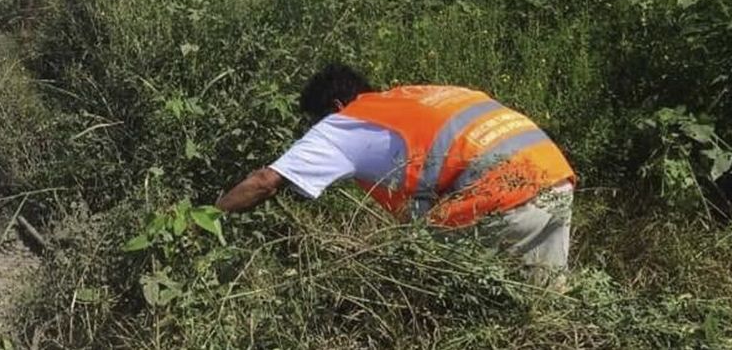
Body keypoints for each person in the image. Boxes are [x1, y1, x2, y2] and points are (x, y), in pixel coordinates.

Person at [215, 62, 576, 282]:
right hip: (556, 178)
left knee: (422, 271)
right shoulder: (415, 96)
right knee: (541, 305)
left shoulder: (342, 122)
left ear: (336, 107)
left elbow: (265, 182)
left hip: (506, 197)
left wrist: (205, 217)